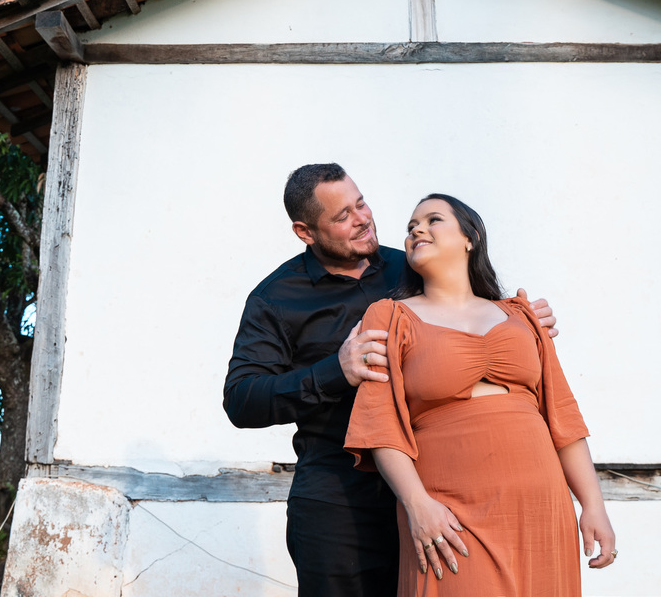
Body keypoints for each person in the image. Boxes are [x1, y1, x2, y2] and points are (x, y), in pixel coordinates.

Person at [223, 165, 558, 597]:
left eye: (361, 203)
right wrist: (335, 372)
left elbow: (472, 316)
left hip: (439, 493)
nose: (362, 219)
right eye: (342, 216)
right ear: (305, 232)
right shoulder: (275, 298)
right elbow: (242, 399)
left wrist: (525, 322)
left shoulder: (411, 265)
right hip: (341, 504)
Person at [344, 193, 616, 596]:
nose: (417, 230)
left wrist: (593, 504)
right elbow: (380, 424)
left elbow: (562, 415)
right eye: (411, 227)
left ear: (469, 238)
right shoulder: (390, 316)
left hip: (540, 505)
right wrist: (417, 504)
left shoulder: (522, 315)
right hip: (447, 510)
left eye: (433, 220)